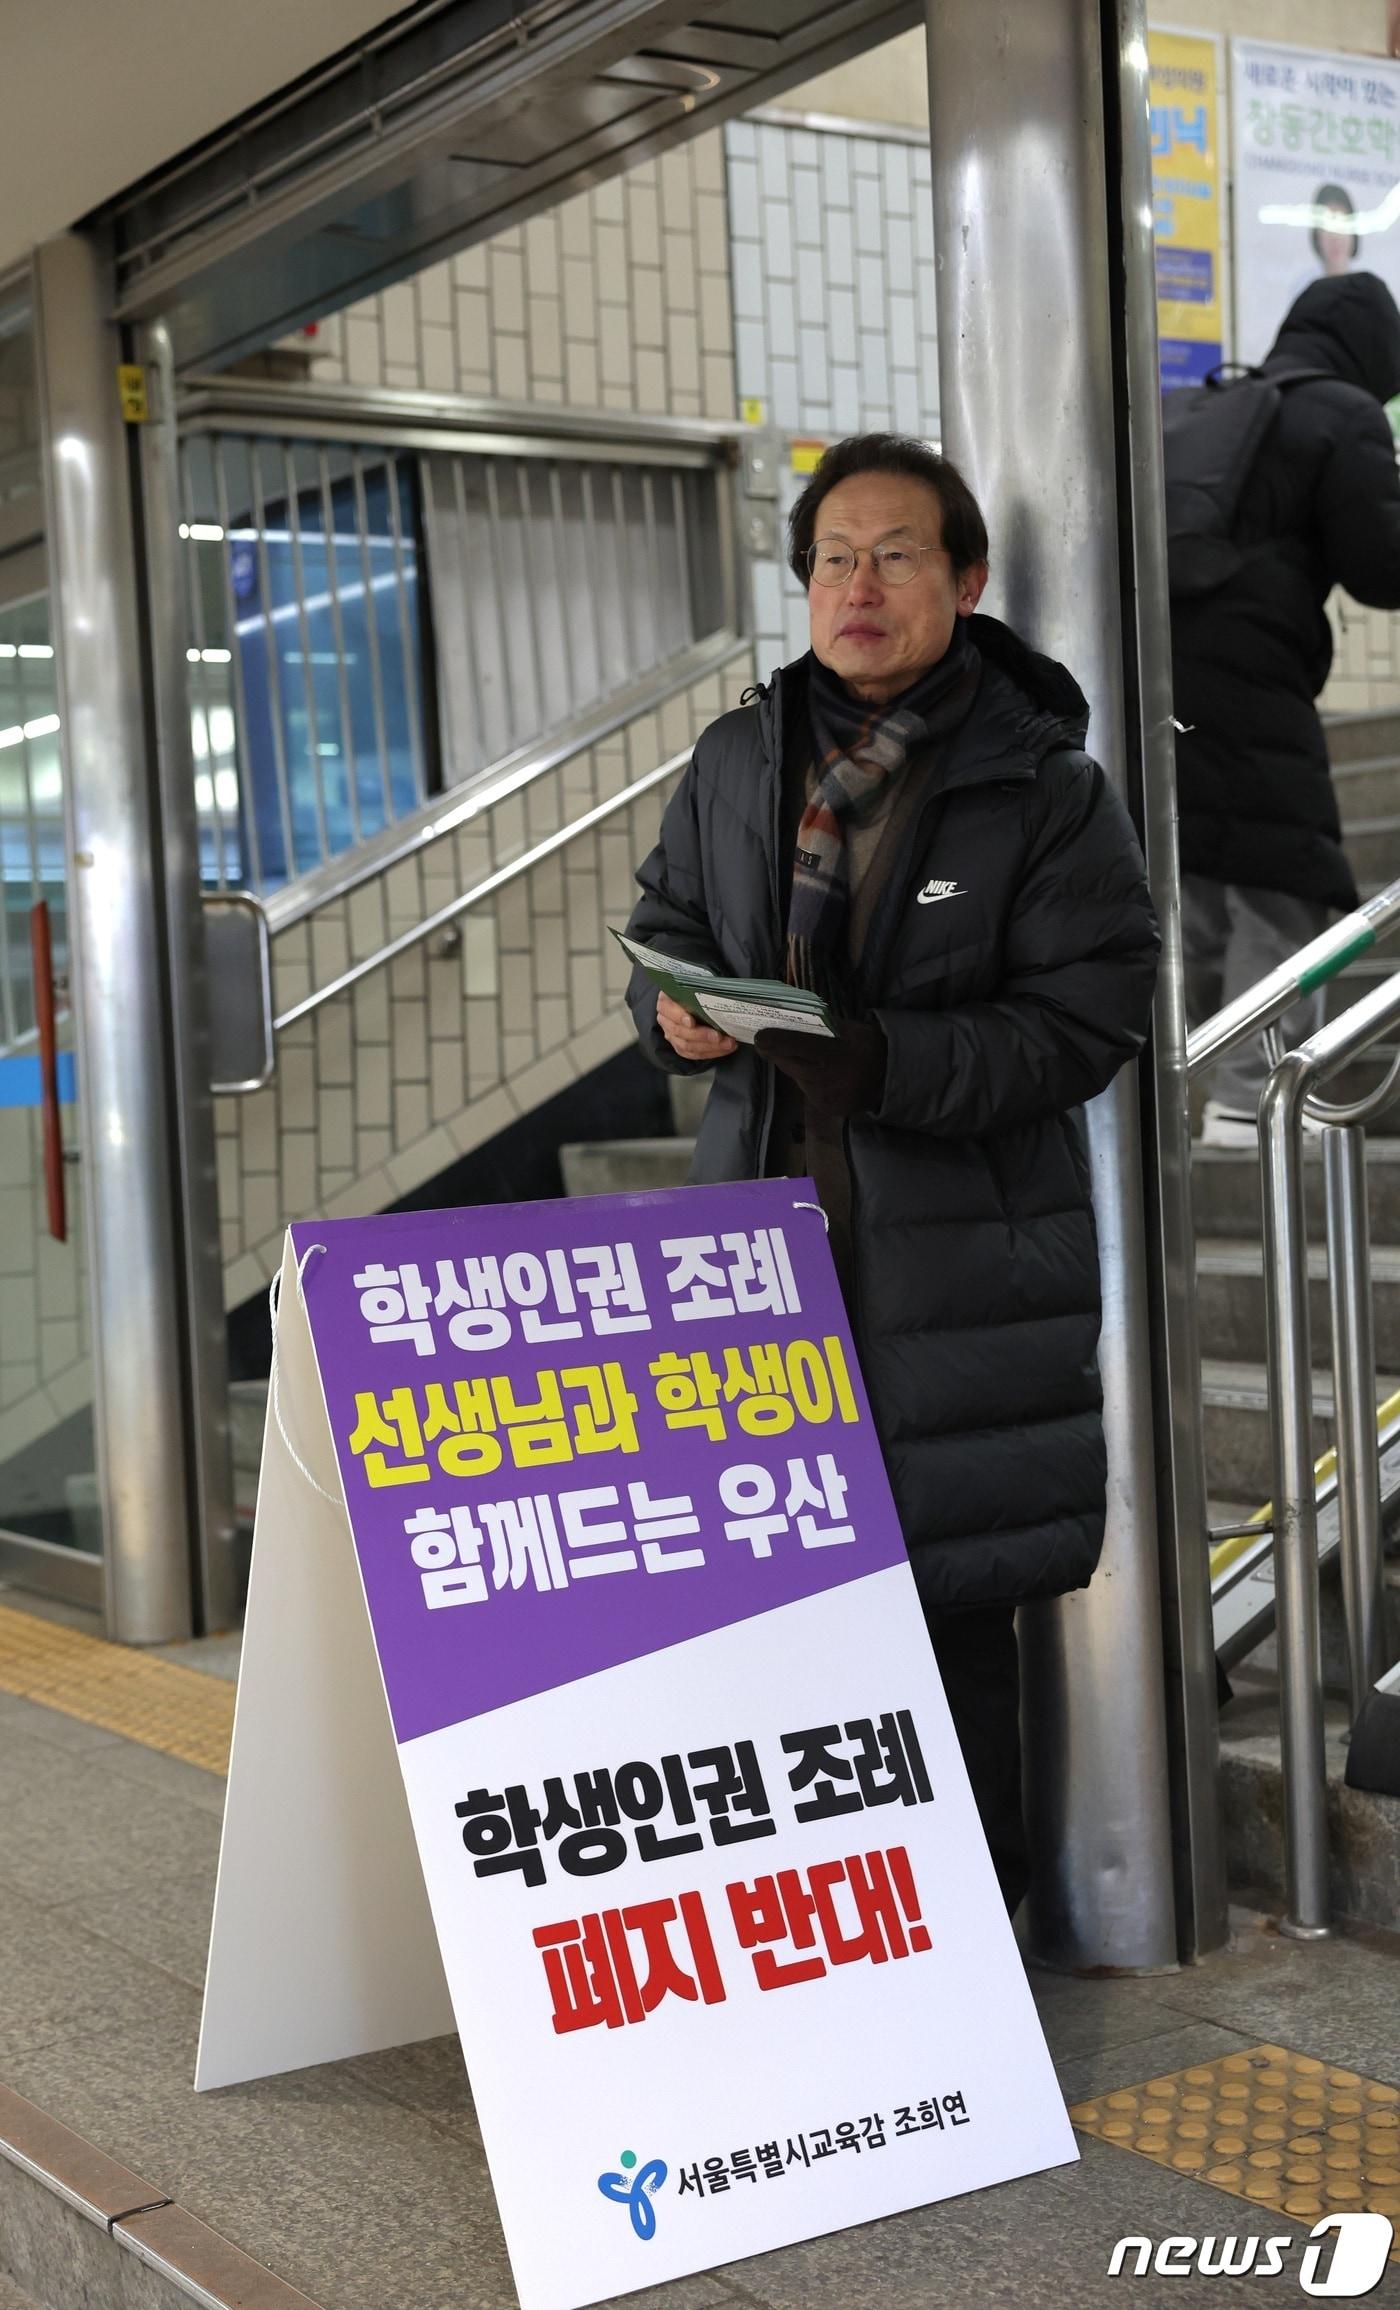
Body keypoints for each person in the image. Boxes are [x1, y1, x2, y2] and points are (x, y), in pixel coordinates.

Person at [624, 434, 1159, 1916]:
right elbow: (669, 917)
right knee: (773, 1614)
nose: (861, 586)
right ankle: (820, 1945)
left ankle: (968, 1960)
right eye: (835, 559)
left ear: (966, 580)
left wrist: (888, 1063)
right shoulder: (740, 753)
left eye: (898, 554)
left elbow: (1090, 1013)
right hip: (756, 1255)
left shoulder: (1041, 785)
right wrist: (669, 1013)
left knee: (945, 1626)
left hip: (956, 1271)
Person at [1172, 272, 1400, 1145]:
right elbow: (1380, 565)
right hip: (1251, 667)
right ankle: (1249, 1095)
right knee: (1289, 882)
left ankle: (1167, 1100)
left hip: (1159, 663)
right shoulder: (1343, 411)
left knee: (1193, 892)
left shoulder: (1219, 405)